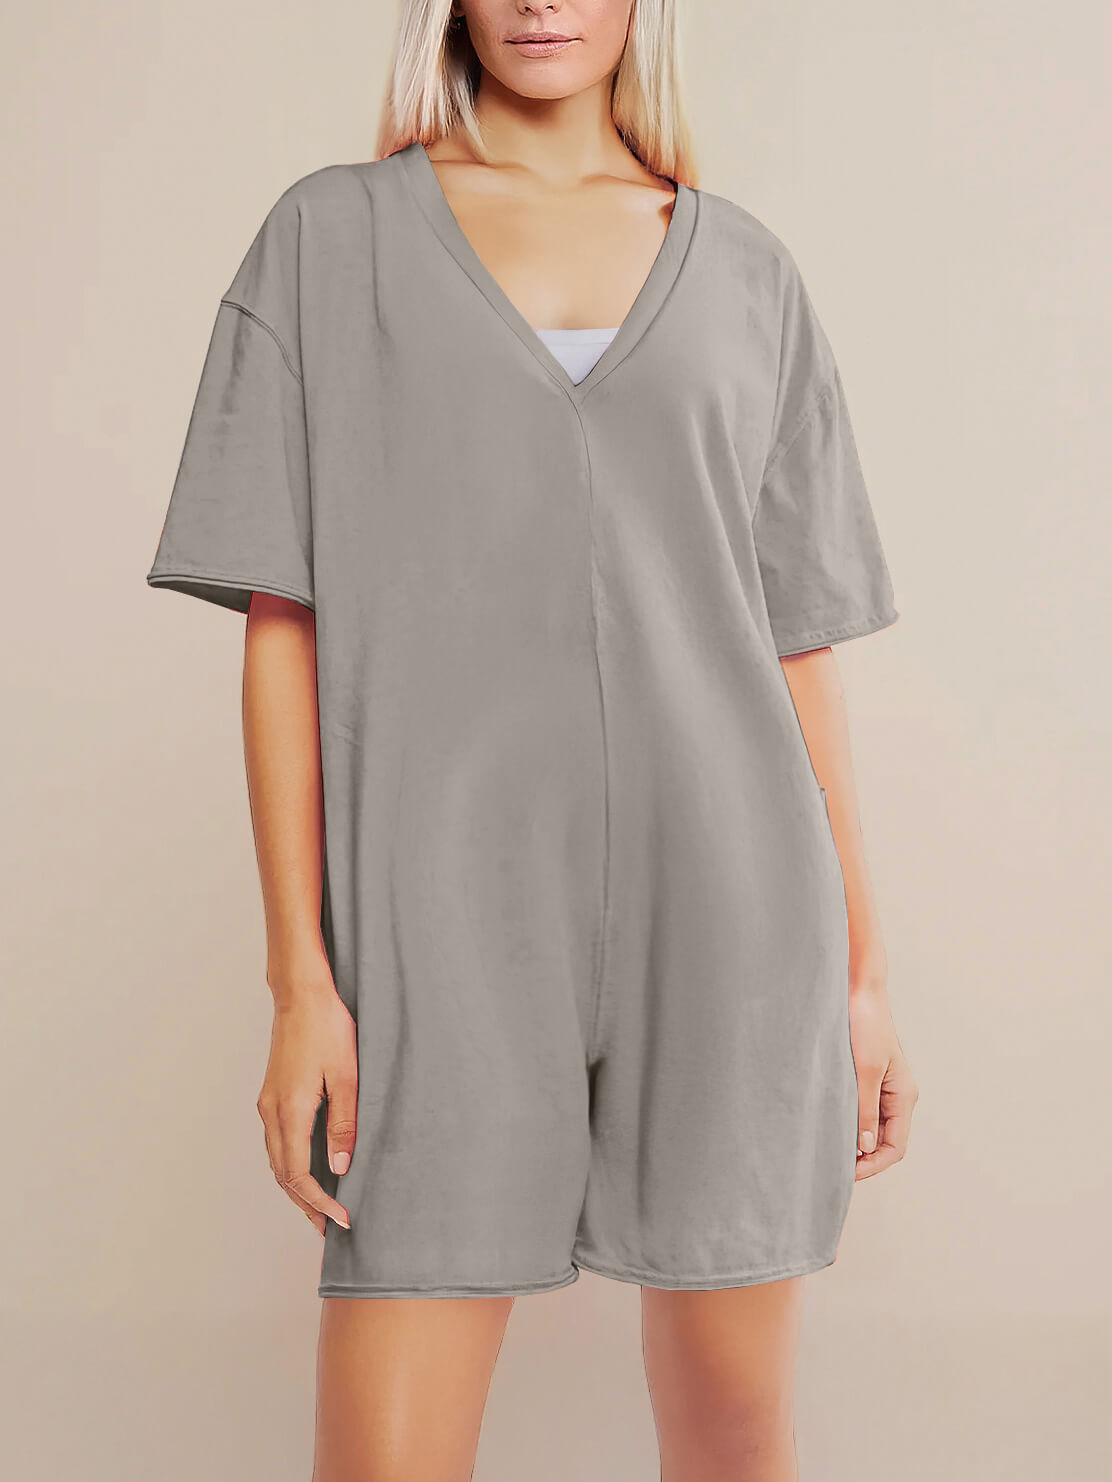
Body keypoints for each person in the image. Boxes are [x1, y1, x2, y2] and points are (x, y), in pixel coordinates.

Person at [145, 1, 919, 1476]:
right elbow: (282, 631)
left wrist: (867, 976)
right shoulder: (329, 241)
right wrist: (301, 983)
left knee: (736, 1437)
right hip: (435, 911)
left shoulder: (748, 270)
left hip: (735, 909)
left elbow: (798, 645)